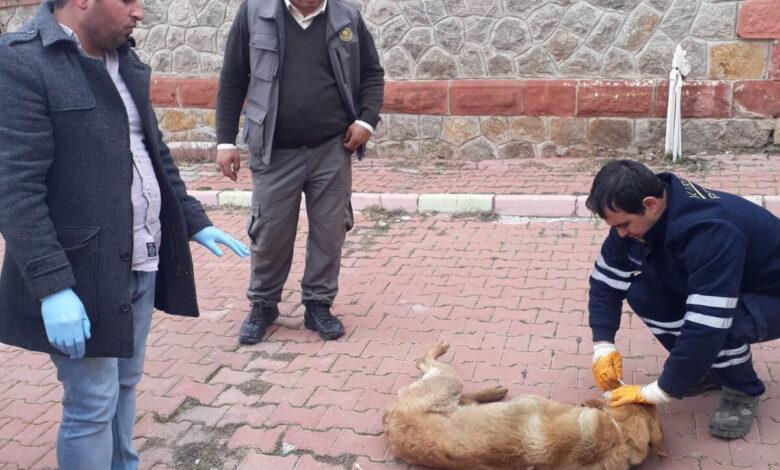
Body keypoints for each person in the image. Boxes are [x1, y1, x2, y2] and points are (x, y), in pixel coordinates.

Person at [0, 0, 250, 468]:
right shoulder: (21, 61)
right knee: (91, 404)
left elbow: (153, 152)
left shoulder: (125, 61)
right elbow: (14, 188)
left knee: (125, 385)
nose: (140, 12)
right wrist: (52, 287)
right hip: (80, 274)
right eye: (130, 0)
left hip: (140, 257)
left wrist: (195, 221)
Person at [215, 0, 384, 344]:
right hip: (275, 150)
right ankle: (263, 303)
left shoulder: (346, 16)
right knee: (270, 232)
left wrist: (366, 120)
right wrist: (224, 142)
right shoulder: (254, 12)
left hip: (333, 149)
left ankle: (318, 305)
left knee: (330, 231)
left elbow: (372, 74)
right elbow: (233, 77)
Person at [585, 159, 780, 439]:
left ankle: (742, 388)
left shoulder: (709, 231)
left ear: (650, 204)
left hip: (771, 292)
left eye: (624, 225)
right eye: (614, 226)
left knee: (724, 324)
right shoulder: (638, 217)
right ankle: (705, 370)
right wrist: (603, 345)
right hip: (734, 280)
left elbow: (707, 324)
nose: (620, 234)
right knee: (643, 293)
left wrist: (660, 391)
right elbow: (605, 283)